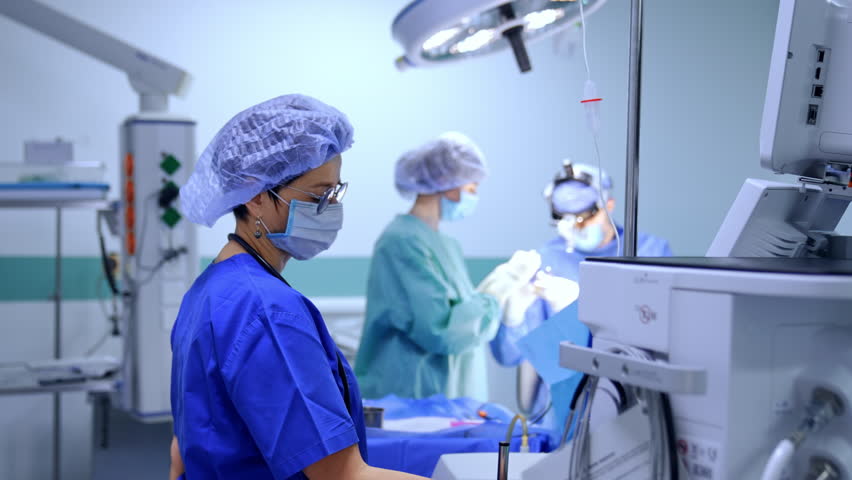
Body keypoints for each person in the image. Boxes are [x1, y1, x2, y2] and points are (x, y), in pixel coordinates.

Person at [169, 94, 426, 480]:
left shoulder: (210, 289)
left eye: (335, 193)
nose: (330, 209)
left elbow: (181, 448)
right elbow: (343, 475)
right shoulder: (265, 311)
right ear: (256, 197)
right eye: (318, 195)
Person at [355, 132, 537, 402]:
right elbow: (442, 331)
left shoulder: (446, 245)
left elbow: (461, 313)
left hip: (448, 398)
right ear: (448, 184)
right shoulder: (401, 241)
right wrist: (501, 285)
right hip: (411, 397)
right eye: (472, 189)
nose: (473, 197)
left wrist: (499, 291)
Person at [490, 161, 673, 419]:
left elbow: (659, 338)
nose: (576, 228)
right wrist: (512, 317)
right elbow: (510, 356)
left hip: (628, 401)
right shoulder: (546, 259)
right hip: (561, 410)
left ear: (608, 206)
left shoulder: (649, 252)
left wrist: (582, 306)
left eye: (583, 219)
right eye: (567, 220)